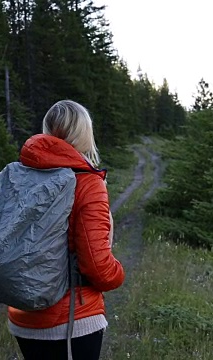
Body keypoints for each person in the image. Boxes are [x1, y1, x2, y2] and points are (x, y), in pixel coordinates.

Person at [7, 100, 125, 360]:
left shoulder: (20, 176)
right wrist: (118, 275)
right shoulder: (87, 183)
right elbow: (98, 267)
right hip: (73, 319)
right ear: (85, 134)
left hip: (22, 314)